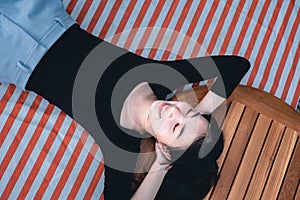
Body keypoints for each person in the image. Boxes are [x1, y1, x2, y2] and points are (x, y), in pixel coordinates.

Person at [0, 0, 250, 199]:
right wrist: (202, 110)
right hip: (43, 15)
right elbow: (237, 66)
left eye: (176, 128)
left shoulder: (119, 142)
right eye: (188, 111)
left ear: (164, 147)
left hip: (15, 56)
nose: (174, 112)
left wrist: (161, 167)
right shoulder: (163, 79)